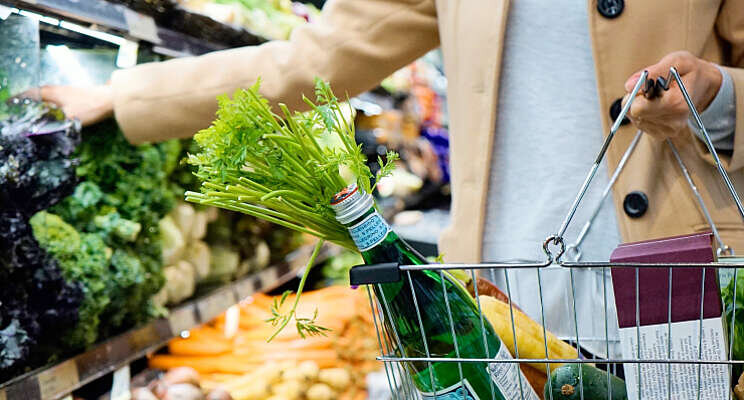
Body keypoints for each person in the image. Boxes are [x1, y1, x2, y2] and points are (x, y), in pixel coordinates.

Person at [43, 0, 744, 359]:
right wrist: (127, 96)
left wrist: (717, 97)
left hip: (679, 287)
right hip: (499, 297)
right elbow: (312, 59)